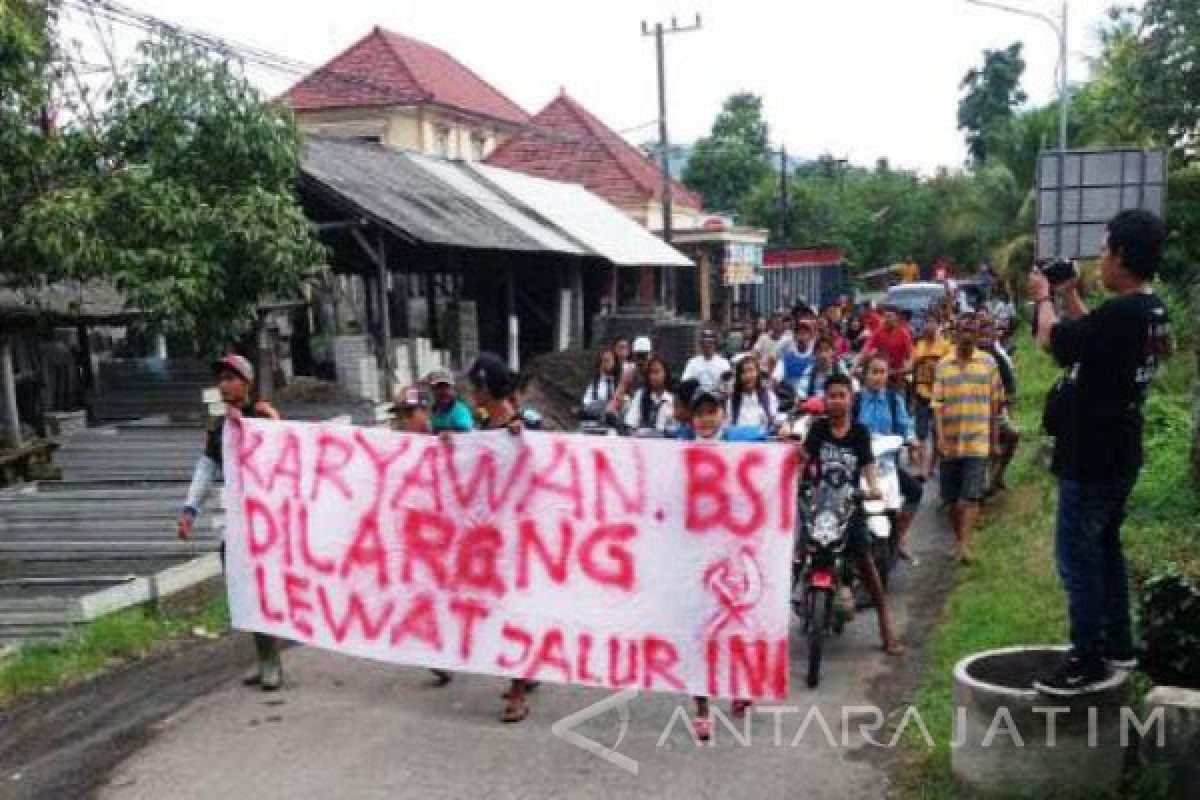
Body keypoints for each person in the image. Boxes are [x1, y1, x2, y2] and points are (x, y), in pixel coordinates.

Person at [1029, 210, 1172, 696]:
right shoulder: (1150, 311)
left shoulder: (1122, 315)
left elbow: (1057, 343)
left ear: (1123, 257)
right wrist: (1070, 297)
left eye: (1107, 251)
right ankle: (1119, 645)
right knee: (1105, 548)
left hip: (1091, 458)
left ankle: (1085, 658)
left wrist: (1044, 300)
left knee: (1077, 558)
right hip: (1122, 453)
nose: (1101, 260)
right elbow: (1097, 342)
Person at [177, 354, 284, 691]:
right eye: (220, 379)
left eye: (231, 378)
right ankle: (262, 656)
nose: (224, 384)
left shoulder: (261, 417)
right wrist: (189, 509)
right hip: (236, 522)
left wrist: (274, 425)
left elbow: (284, 454)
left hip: (264, 521)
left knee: (260, 587)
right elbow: (206, 468)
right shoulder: (220, 429)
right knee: (241, 588)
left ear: (247, 383)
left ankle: (273, 662)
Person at [803, 373, 904, 655]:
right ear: (825, 400)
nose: (836, 401)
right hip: (818, 506)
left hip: (848, 507)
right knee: (795, 552)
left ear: (851, 399)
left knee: (867, 565)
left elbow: (869, 466)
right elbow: (805, 459)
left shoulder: (859, 433)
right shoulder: (818, 429)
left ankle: (886, 628)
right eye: (831, 395)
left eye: (841, 395)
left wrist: (873, 488)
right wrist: (796, 478)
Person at [462, 353, 536, 721]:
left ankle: (519, 689)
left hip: (519, 536)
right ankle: (524, 673)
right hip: (491, 534)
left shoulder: (520, 428)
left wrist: (522, 442)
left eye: (475, 386)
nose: (470, 393)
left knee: (514, 610)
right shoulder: (485, 427)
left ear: (487, 387)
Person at [685, 386, 753, 739]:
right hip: (695, 553)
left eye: (712, 411)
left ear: (723, 415)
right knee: (700, 629)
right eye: (700, 413)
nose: (707, 419)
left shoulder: (738, 449)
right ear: (690, 418)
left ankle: (739, 685)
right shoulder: (679, 454)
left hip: (731, 551)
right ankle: (701, 707)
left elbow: (768, 457)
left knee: (734, 621)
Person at [389, 386, 456, 687]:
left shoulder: (447, 439)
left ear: (423, 414)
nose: (402, 423)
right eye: (398, 416)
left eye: (407, 414)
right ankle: (440, 652)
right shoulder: (399, 449)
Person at [932, 313, 1004, 565]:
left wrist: (994, 440)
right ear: (955, 333)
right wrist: (939, 438)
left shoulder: (989, 364)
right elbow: (937, 406)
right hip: (950, 442)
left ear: (977, 335)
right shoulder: (943, 365)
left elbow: (996, 405)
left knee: (971, 497)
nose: (967, 335)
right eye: (963, 330)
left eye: (972, 331)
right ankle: (959, 540)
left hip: (978, 440)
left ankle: (964, 546)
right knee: (951, 500)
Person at [855, 355, 923, 563]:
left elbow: (905, 426)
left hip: (886, 466)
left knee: (915, 491)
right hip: (859, 467)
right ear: (865, 375)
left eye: (882, 372)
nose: (878, 377)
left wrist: (911, 440)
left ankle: (899, 538)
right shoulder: (855, 401)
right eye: (873, 372)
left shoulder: (894, 401)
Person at [976, 316, 1018, 495]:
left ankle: (999, 475)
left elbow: (1010, 388)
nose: (985, 337)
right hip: (971, 412)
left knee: (1012, 435)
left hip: (995, 411)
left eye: (989, 332)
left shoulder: (999, 359)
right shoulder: (967, 357)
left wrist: (1003, 402)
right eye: (982, 333)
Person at [911, 315, 952, 479]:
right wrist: (912, 393)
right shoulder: (919, 345)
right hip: (921, 393)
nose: (928, 326)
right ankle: (922, 470)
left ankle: (932, 465)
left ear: (938, 324)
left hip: (940, 394)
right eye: (926, 322)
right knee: (921, 432)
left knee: (937, 431)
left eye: (931, 322)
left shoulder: (946, 346)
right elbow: (914, 369)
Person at [858, 306, 914, 392]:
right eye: (885, 317)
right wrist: (855, 366)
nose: (886, 319)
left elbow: (911, 356)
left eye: (889, 316)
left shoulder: (904, 334)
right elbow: (865, 350)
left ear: (896, 318)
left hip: (897, 375)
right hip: (880, 374)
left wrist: (905, 368)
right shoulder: (878, 332)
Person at [625, 356, 675, 435]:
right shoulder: (641, 395)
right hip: (643, 441)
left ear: (666, 374)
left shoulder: (673, 398)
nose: (653, 377)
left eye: (657, 372)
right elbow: (631, 424)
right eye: (650, 373)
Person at [728, 355, 778, 433]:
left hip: (763, 442)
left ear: (758, 373)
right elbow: (729, 426)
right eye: (743, 372)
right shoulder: (732, 399)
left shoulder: (769, 396)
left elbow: (773, 422)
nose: (748, 376)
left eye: (751, 370)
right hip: (738, 442)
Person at [426, 368, 474, 433]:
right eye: (439, 387)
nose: (444, 391)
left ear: (452, 389)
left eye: (446, 387)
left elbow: (465, 434)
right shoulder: (433, 411)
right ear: (432, 390)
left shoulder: (460, 411)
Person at [581, 349, 619, 415]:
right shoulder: (595, 383)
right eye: (604, 361)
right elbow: (586, 402)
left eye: (608, 360)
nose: (606, 364)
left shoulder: (619, 381)